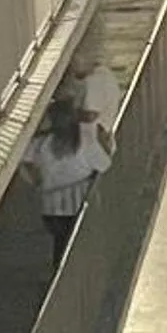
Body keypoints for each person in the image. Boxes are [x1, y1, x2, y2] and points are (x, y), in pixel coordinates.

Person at [23, 96, 111, 259]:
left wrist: (37, 182)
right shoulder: (87, 142)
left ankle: (59, 271)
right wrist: (104, 142)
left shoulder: (41, 143)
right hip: (80, 205)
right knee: (80, 247)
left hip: (51, 209)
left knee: (61, 243)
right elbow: (105, 165)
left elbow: (24, 160)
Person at [61, 50, 125, 149]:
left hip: (94, 137)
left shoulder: (92, 82)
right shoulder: (106, 74)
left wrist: (70, 113)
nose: (71, 74)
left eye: (71, 69)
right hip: (102, 136)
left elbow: (90, 115)